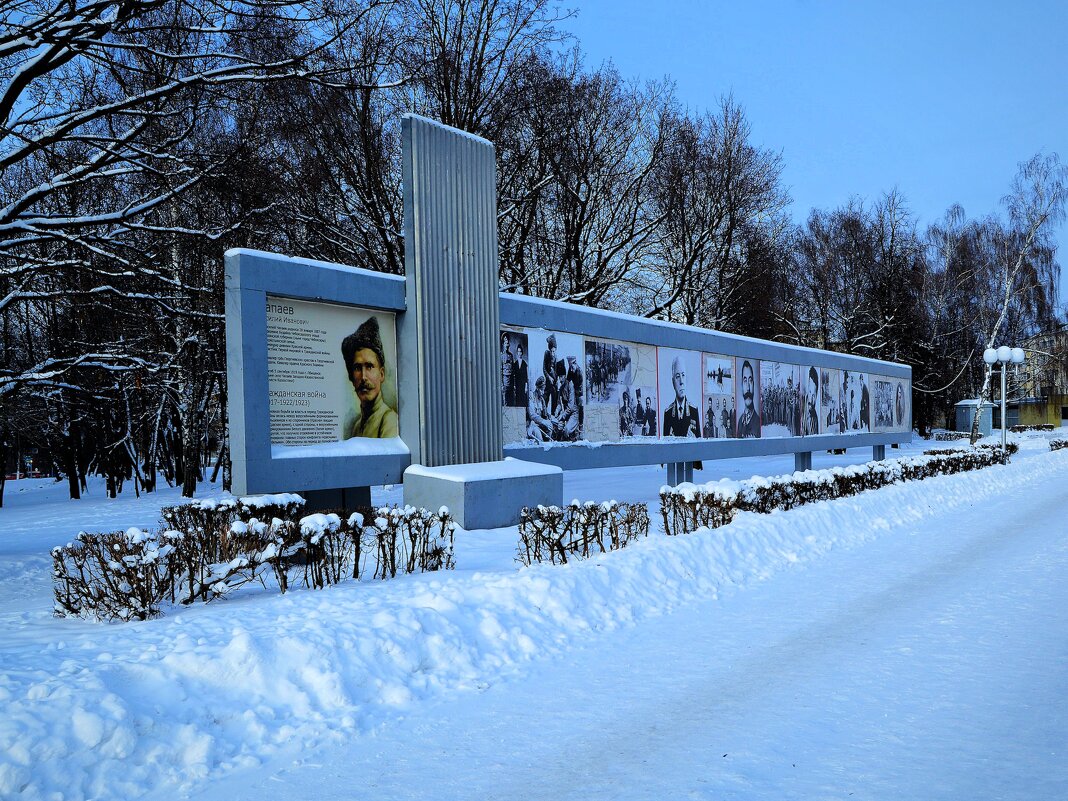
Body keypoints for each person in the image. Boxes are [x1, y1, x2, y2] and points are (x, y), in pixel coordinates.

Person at [342, 316, 398, 439]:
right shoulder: (357, 427)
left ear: (381, 374)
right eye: (357, 368)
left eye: (369, 366)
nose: (363, 377)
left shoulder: (388, 421)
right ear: (351, 377)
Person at [663, 356, 701, 437]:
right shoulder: (668, 413)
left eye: (683, 375)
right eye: (677, 376)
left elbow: (699, 444)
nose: (681, 382)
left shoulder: (694, 411)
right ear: (673, 382)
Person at [527, 375, 555, 441]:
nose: (542, 393)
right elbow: (532, 415)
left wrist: (549, 420)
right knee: (539, 437)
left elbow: (545, 415)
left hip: (540, 424)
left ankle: (548, 445)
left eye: (543, 390)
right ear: (537, 388)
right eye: (541, 390)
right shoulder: (531, 397)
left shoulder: (542, 400)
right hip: (532, 424)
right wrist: (543, 421)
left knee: (549, 428)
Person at [737, 359, 760, 438]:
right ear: (741, 385)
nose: (748, 388)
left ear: (753, 384)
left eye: (750, 381)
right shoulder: (740, 422)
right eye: (745, 380)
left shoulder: (758, 422)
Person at [509, 340, 529, 407]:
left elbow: (526, 376)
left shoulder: (524, 364)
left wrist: (526, 387)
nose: (519, 353)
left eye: (520, 351)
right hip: (517, 385)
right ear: (517, 353)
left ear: (522, 353)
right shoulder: (515, 364)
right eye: (518, 351)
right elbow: (513, 376)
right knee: (517, 400)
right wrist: (514, 385)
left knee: (523, 400)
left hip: (523, 385)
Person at [803, 366, 819, 436]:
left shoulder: (813, 418)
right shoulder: (806, 413)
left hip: (811, 417)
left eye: (813, 395)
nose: (811, 398)